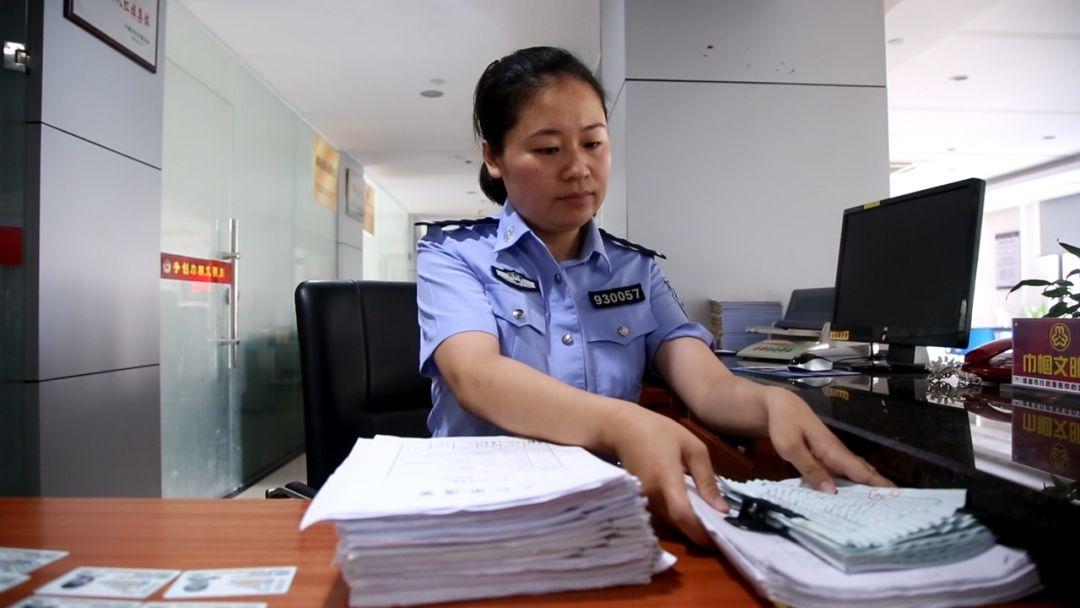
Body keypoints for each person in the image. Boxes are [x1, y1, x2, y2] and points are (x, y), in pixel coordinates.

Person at [416, 46, 890, 545]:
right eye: (549, 150)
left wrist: (769, 402)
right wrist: (623, 423)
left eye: (593, 143)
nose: (579, 168)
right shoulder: (454, 253)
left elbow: (706, 386)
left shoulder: (635, 269)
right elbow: (477, 377)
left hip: (603, 517)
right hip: (477, 516)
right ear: (494, 156)